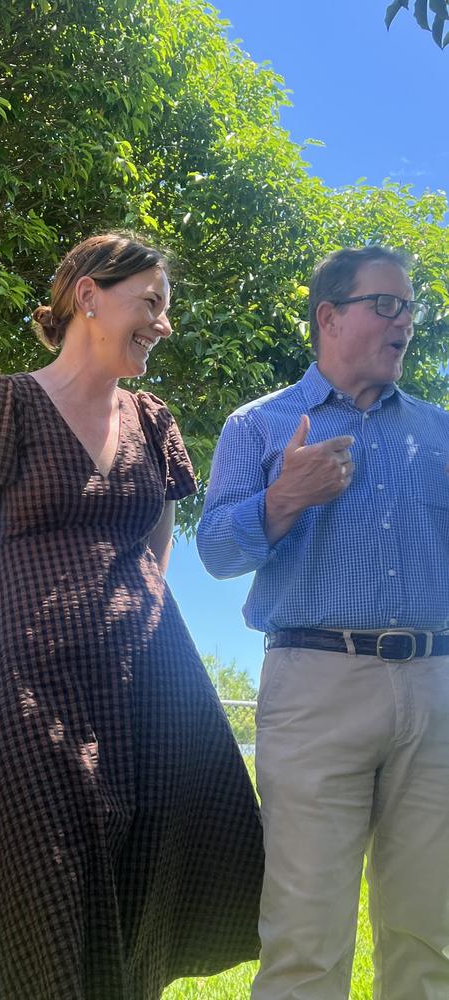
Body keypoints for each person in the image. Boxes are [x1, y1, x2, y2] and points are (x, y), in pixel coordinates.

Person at [0, 232, 264, 1000]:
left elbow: (154, 549)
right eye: (152, 302)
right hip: (25, 691)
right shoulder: (0, 403)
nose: (164, 323)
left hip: (148, 688)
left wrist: (129, 635)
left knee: (142, 882)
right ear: (87, 296)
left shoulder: (152, 421)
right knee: (33, 883)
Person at [197, 245, 449, 1000]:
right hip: (314, 686)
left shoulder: (441, 433)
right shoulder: (260, 426)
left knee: (431, 930)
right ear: (329, 316)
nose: (406, 321)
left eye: (412, 307)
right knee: (305, 933)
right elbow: (213, 551)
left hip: (438, 691)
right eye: (388, 304)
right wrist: (283, 500)